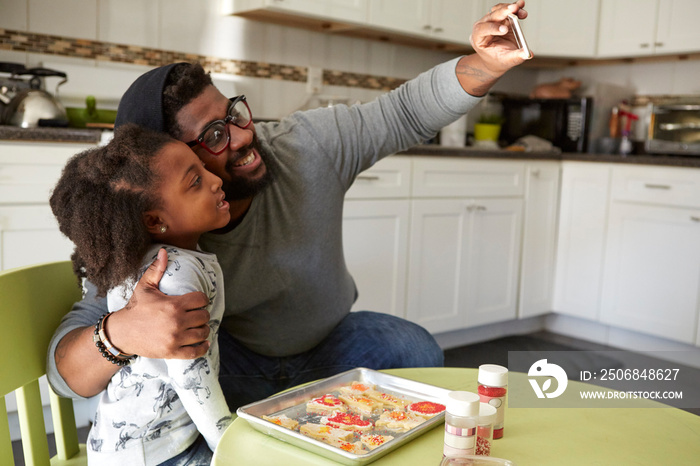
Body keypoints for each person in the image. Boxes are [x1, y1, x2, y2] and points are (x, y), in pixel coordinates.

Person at [47, 1, 531, 411]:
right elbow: (65, 374)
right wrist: (120, 334)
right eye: (215, 136)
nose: (243, 136)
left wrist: (486, 64)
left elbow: (403, 112)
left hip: (330, 351)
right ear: (171, 166)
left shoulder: (306, 146)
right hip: (225, 371)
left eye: (233, 113)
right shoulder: (142, 236)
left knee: (411, 347)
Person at [49, 124, 233, 465]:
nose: (215, 179)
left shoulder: (161, 260)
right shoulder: (175, 273)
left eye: (203, 168)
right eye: (195, 182)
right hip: (151, 453)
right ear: (154, 220)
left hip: (160, 441)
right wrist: (227, 439)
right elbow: (189, 372)